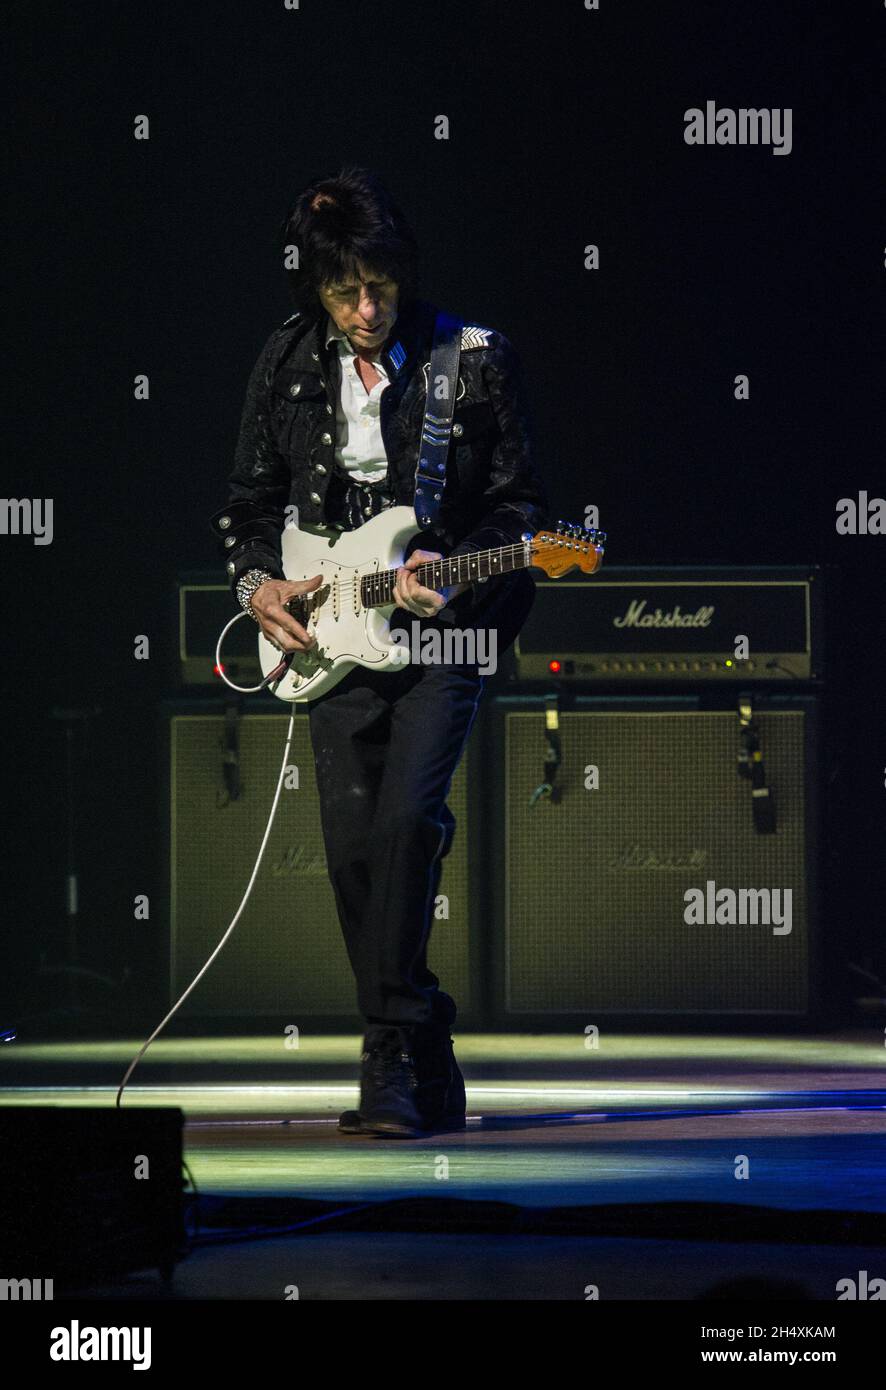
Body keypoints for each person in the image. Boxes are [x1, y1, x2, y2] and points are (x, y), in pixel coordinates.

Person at [210, 167, 549, 1137]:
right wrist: (256, 587)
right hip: (330, 629)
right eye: (343, 290)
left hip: (445, 627)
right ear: (314, 289)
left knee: (408, 821)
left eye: (382, 287)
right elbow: (246, 508)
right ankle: (422, 1037)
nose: (365, 308)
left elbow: (527, 507)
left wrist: (451, 566)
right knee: (354, 848)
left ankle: (389, 1048)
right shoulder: (282, 363)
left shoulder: (473, 359)